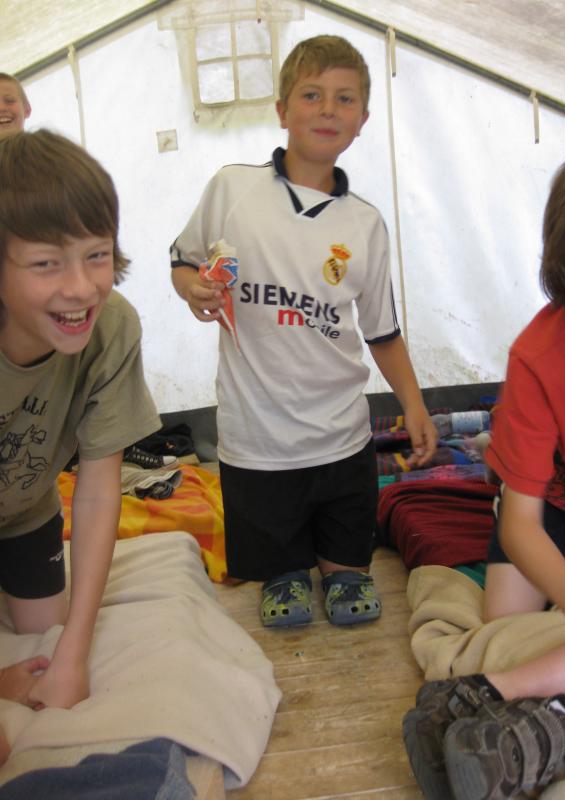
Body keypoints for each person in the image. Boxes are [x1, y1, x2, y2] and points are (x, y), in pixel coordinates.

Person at [170, 35, 436, 628]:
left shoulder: (364, 224)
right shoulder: (232, 188)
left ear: (363, 121)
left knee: (348, 574)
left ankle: (342, 568)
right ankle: (285, 570)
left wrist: (414, 405)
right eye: (312, 95)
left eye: (345, 98)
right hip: (256, 436)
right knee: (281, 576)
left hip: (341, 431)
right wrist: (193, 290)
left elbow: (382, 331)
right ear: (282, 110)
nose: (327, 109)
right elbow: (183, 261)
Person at [403, 145, 565, 799]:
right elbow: (520, 525)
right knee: (506, 624)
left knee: (523, 645)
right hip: (554, 508)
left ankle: (488, 699)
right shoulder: (541, 355)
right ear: (564, 266)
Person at [0, 130, 160, 720]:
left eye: (97, 254)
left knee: (45, 633)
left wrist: (74, 654)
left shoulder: (113, 328)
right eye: (46, 263)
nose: (80, 288)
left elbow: (96, 491)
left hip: (24, 512)